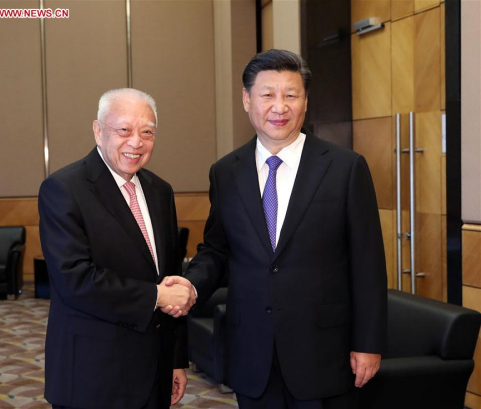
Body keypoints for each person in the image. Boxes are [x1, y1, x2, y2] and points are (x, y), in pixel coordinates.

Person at [168, 49, 388, 408]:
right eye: (267, 94)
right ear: (246, 99)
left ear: (305, 101)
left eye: (291, 95)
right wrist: (191, 284)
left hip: (324, 354)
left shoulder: (345, 168)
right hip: (252, 352)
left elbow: (368, 264)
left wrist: (368, 342)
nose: (279, 106)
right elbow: (218, 249)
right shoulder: (226, 172)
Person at [38, 88, 195, 409]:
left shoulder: (159, 191)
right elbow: (74, 280)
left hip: (153, 370)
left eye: (147, 132)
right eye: (123, 130)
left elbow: (169, 275)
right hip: (93, 375)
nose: (136, 142)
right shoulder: (64, 188)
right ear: (98, 130)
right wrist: (156, 296)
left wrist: (176, 359)